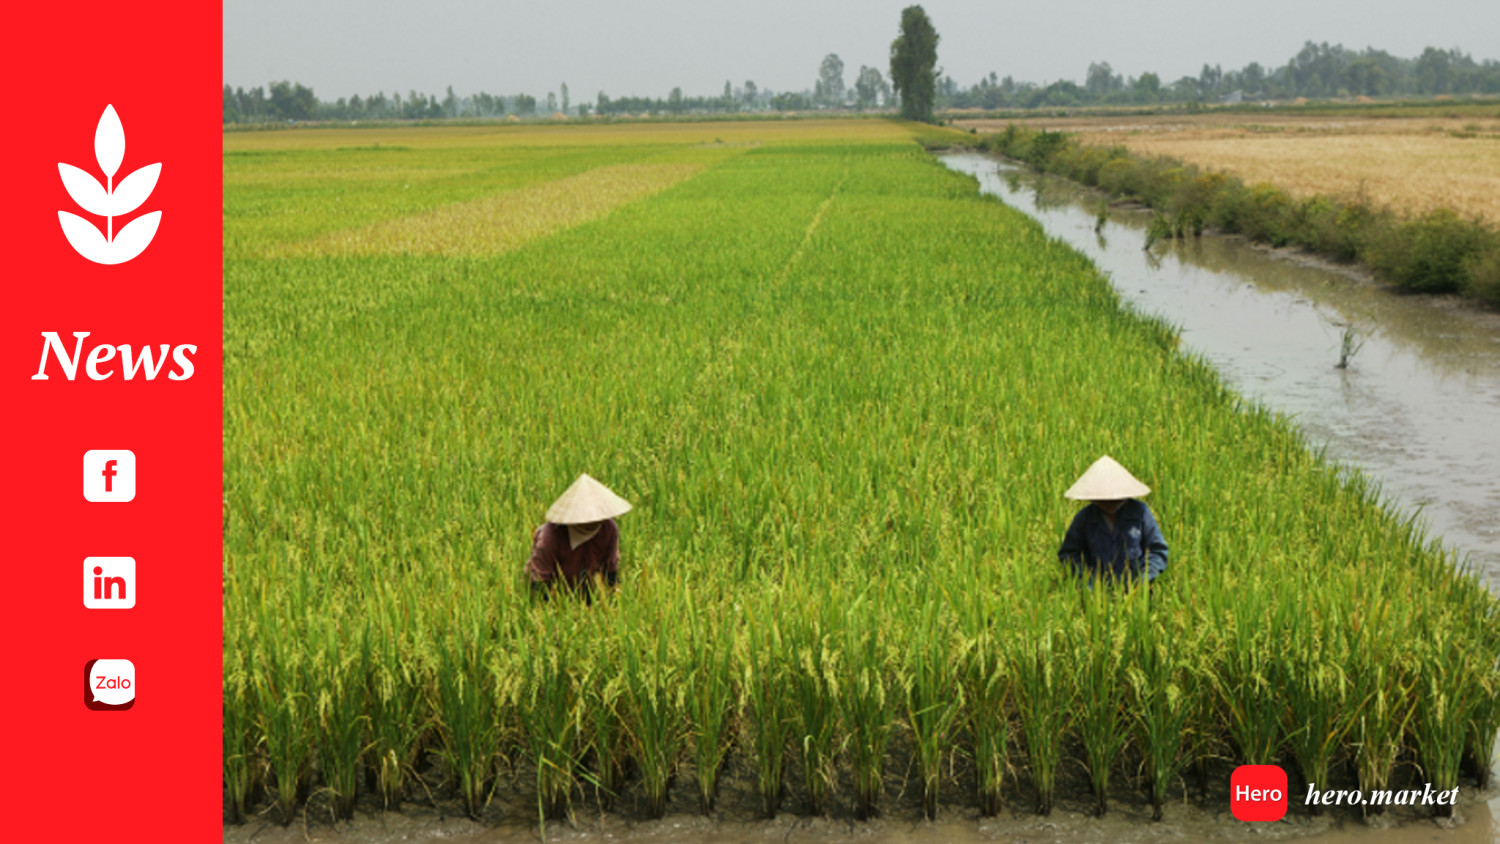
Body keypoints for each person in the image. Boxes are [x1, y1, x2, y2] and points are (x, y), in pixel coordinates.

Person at [1057, 455, 1167, 587]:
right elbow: (1069, 554)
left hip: (1135, 593)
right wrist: (1088, 581)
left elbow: (1157, 550)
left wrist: (1143, 580)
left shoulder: (1140, 513)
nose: (1108, 502)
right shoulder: (1085, 519)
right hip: (1096, 593)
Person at [526, 473, 632, 601]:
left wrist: (613, 600)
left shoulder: (608, 529)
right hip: (555, 591)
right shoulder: (549, 536)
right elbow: (540, 582)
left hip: (586, 587)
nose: (592, 522)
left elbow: (610, 570)